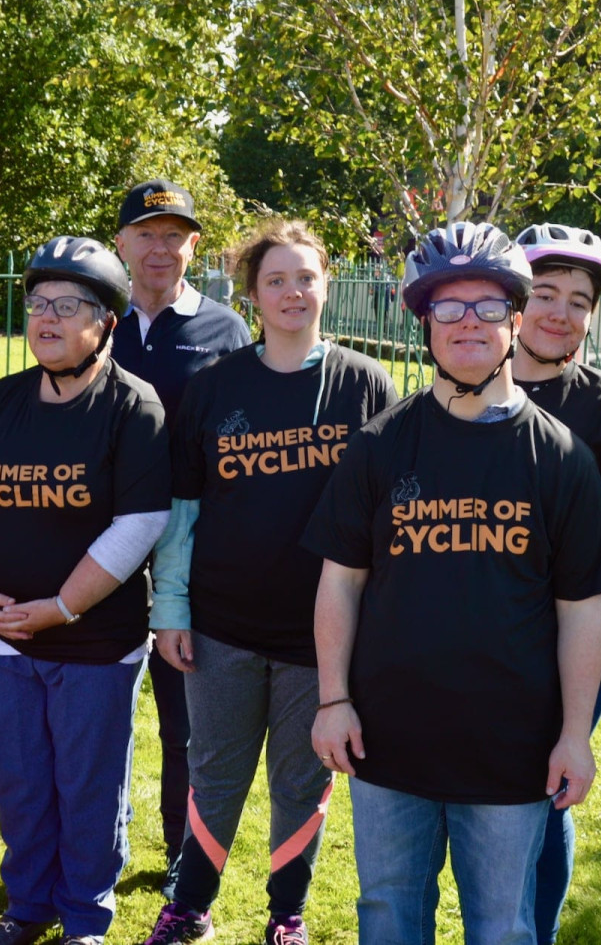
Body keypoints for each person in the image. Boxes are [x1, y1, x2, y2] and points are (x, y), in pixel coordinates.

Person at [305, 221, 601, 945]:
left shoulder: (563, 458)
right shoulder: (379, 445)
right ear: (424, 324)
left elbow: (581, 613)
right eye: (448, 308)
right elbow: (340, 584)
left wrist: (575, 735)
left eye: (486, 306)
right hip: (387, 738)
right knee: (386, 913)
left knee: (503, 927)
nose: (467, 322)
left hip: (512, 748)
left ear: (514, 320)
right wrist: (332, 699)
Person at [142, 219, 397, 945]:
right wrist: (171, 608)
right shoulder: (214, 387)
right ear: (251, 294)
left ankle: (287, 915)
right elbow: (182, 511)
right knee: (214, 774)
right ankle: (188, 905)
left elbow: (385, 515)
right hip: (223, 624)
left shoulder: (364, 383)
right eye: (275, 280)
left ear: (328, 285)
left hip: (323, 635)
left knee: (302, 782)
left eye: (305, 278)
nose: (292, 292)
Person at [0, 237, 171, 945]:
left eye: (68, 305)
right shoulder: (5, 399)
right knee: (20, 784)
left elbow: (141, 522)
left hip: (95, 640)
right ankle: (28, 906)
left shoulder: (134, 406)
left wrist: (64, 606)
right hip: (3, 630)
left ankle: (84, 916)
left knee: (87, 787)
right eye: (38, 303)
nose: (46, 318)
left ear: (105, 322)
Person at [510, 223, 601, 944]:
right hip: (469, 636)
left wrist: (554, 512)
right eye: (544, 293)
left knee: (544, 801)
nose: (559, 313)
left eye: (578, 300)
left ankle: (532, 933)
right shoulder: (467, 380)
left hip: (574, 639)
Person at [111, 179, 251, 876]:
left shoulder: (227, 331)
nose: (159, 248)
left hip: (192, 545)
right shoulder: (94, 320)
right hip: (102, 538)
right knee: (101, 703)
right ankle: (100, 842)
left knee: (183, 714)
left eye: (174, 234)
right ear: (121, 244)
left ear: (194, 245)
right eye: (146, 233)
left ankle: (180, 853)